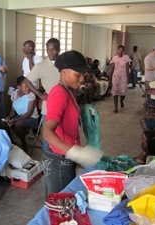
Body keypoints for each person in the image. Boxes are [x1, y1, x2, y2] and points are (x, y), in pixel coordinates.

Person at [43, 50, 103, 197]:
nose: (82, 78)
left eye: (83, 74)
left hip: (66, 156)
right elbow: (47, 132)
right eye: (78, 74)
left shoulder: (69, 90)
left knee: (63, 200)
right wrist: (75, 152)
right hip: (59, 159)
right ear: (64, 72)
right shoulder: (59, 94)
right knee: (60, 203)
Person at [23, 38, 61, 151]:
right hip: (49, 106)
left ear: (59, 49)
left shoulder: (65, 64)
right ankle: (47, 163)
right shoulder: (41, 66)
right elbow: (27, 81)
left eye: (53, 50)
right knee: (48, 137)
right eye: (48, 50)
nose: (50, 53)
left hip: (64, 104)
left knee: (63, 135)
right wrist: (40, 95)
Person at [1, 76, 39, 153]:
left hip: (32, 118)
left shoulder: (31, 95)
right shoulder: (14, 94)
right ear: (19, 87)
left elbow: (28, 114)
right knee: (3, 123)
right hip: (20, 116)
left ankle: (24, 144)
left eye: (29, 87)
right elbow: (13, 111)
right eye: (25, 87)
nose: (28, 89)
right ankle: (12, 142)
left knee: (18, 124)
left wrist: (14, 120)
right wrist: (8, 118)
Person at [109, 45, 131, 113]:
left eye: (122, 50)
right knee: (115, 92)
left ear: (123, 51)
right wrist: (110, 78)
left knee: (123, 92)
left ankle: (121, 101)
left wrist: (128, 78)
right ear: (117, 50)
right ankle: (116, 108)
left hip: (123, 77)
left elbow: (127, 68)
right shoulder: (114, 58)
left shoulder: (126, 58)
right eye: (119, 50)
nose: (120, 51)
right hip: (116, 77)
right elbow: (112, 68)